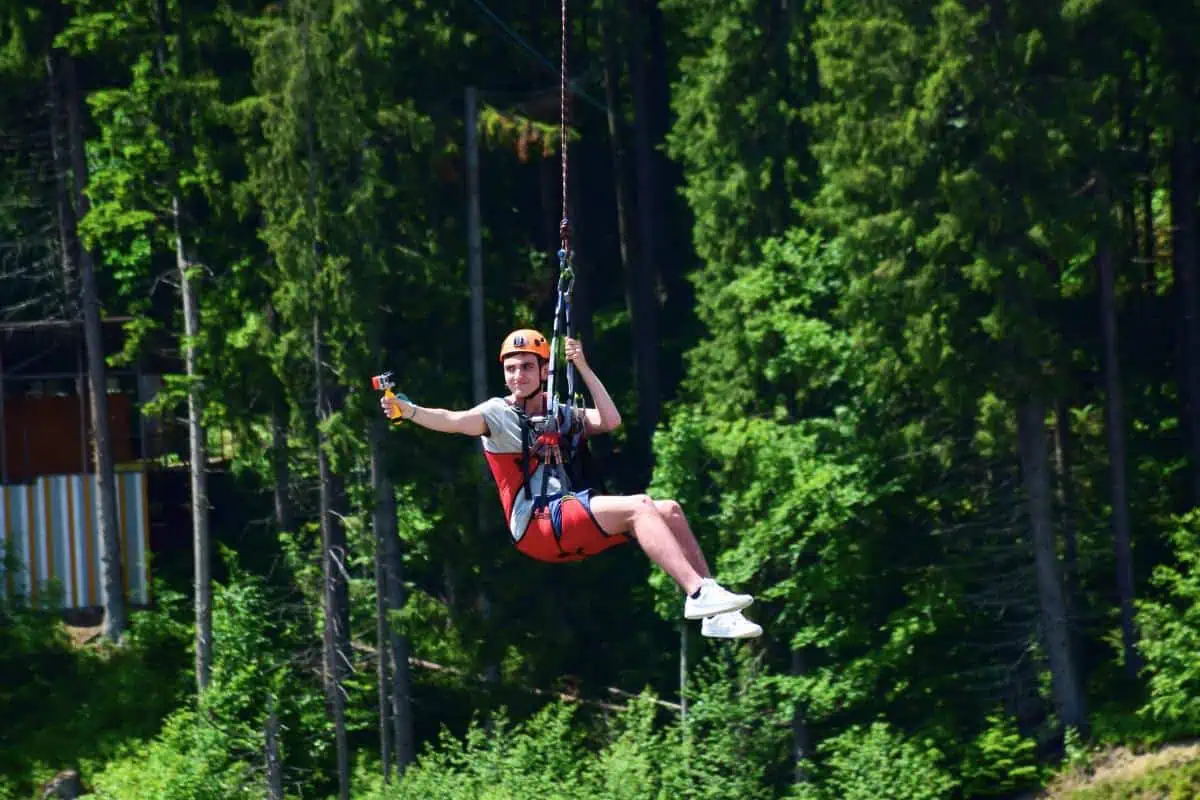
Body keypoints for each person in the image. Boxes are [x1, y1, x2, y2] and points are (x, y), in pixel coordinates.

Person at [379, 328, 762, 639]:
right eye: (510, 368)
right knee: (641, 505)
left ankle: (715, 615)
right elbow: (452, 420)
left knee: (669, 510)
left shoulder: (558, 413)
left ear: (544, 370)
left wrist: (583, 367)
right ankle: (697, 593)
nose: (517, 376)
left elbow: (609, 421)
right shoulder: (496, 415)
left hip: (565, 516)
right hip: (537, 524)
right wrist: (409, 411)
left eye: (526, 367)